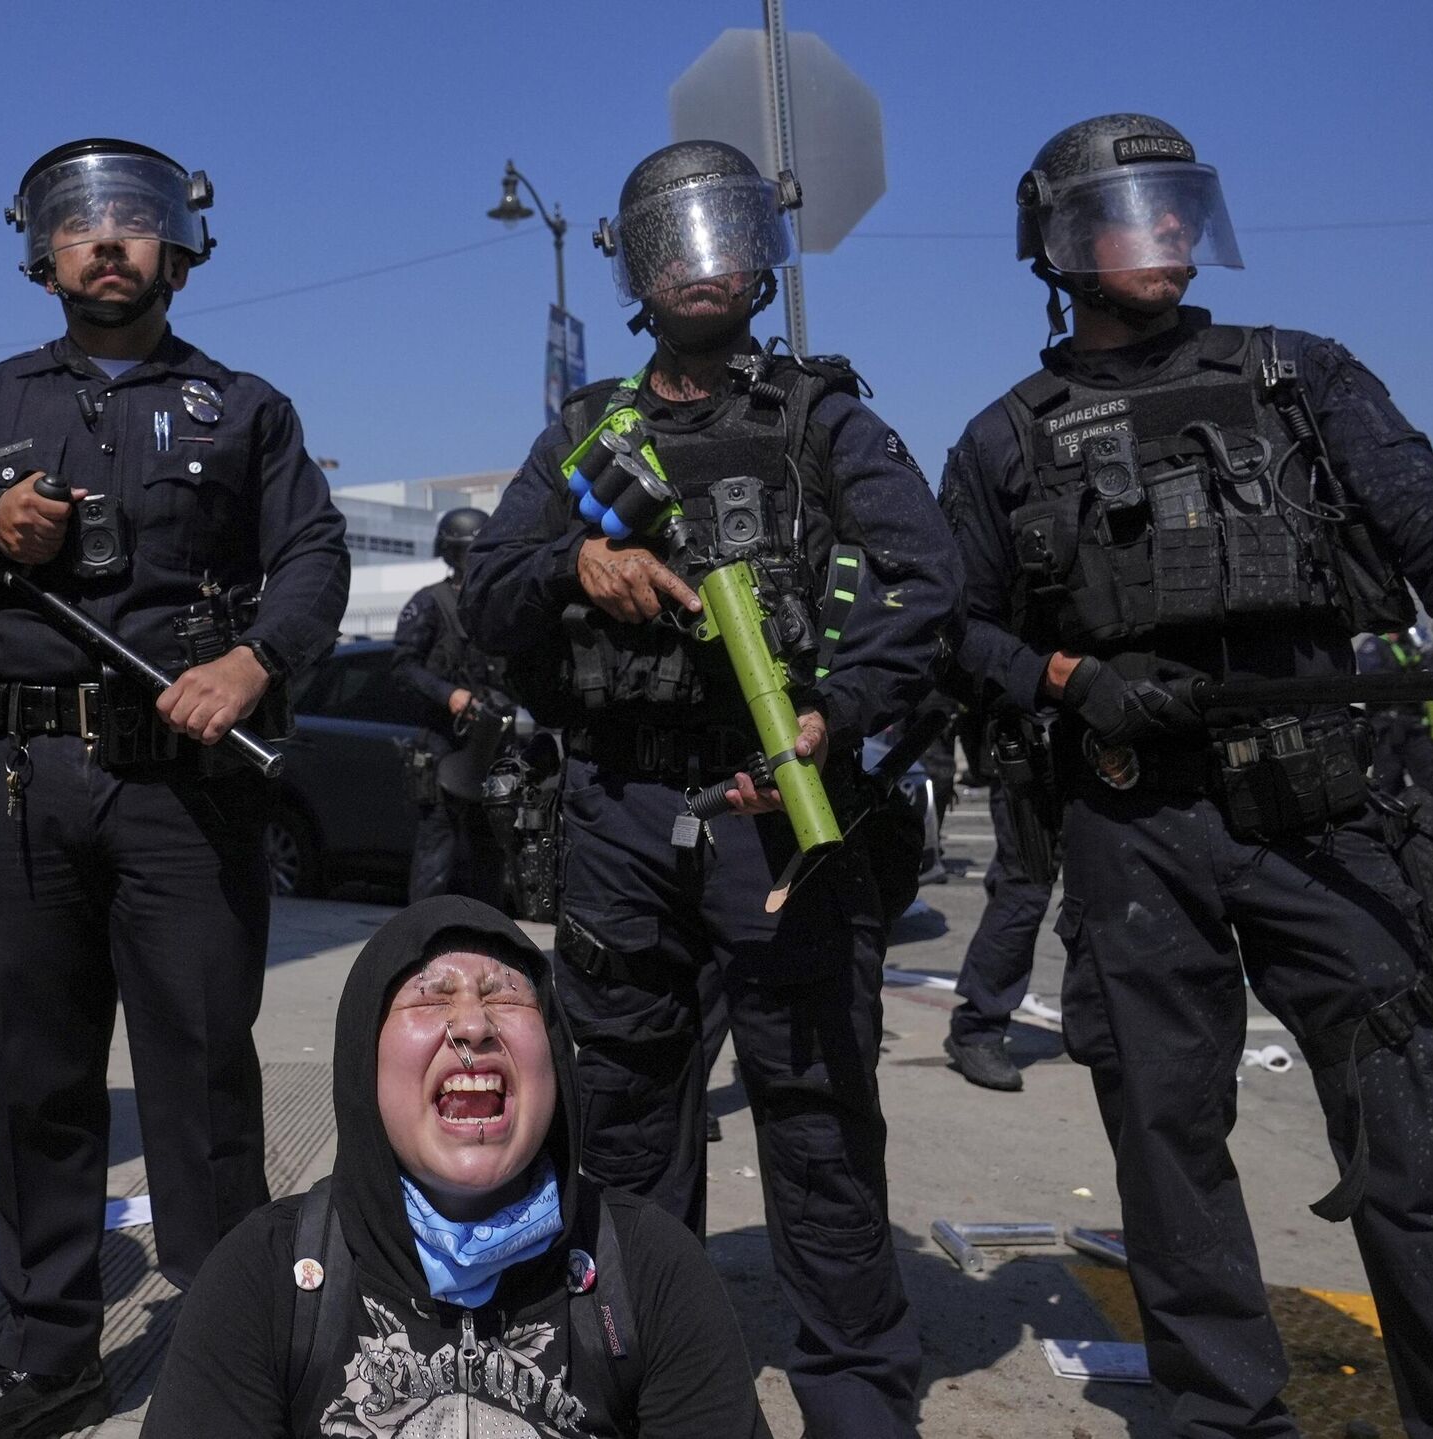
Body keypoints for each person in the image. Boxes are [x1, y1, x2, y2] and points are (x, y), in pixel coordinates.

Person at [0, 137, 350, 1439]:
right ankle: (52, 1355)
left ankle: (233, 1356)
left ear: (182, 252)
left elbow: (315, 554)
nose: (107, 240)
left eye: (134, 221)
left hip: (187, 789)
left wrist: (253, 659)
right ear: (42, 253)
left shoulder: (246, 409)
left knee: (201, 1078)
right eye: (80, 222)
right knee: (39, 1082)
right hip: (21, 785)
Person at [942, 112, 1433, 1435]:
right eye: (1129, 209)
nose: (1164, 228)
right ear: (1058, 245)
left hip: (1323, 803)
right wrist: (1069, 678)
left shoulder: (1301, 375)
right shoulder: (1005, 442)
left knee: (1414, 1123)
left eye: (1178, 203)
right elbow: (955, 628)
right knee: (1168, 1141)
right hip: (1134, 820)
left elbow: (1431, 526)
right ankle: (1224, 1413)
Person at [462, 140, 961, 1435]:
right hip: (623, 814)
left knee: (817, 1115)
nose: (702, 264)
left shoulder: (819, 420)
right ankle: (645, 1374)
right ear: (635, 271)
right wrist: (575, 563)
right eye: (673, 241)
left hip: (779, 809)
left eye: (726, 235)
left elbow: (927, 583)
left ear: (763, 260)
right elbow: (487, 593)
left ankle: (856, 1389)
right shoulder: (587, 435)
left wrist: (840, 712)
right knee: (623, 1122)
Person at [145, 895, 772, 1438]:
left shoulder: (650, 1268)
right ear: (364, 1058)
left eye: (506, 995)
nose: (473, 1024)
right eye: (429, 998)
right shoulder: (264, 1276)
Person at [393, 506, 509, 903]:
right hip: (443, 746)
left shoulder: (496, 604)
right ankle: (423, 936)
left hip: (492, 745)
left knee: (490, 856)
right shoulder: (430, 602)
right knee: (435, 857)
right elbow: (403, 667)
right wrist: (449, 695)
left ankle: (487, 934)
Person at [944, 714, 1061, 1092]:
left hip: (1098, 751)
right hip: (1028, 749)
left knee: (1106, 890)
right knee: (1024, 888)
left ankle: (1100, 1025)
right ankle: (978, 1027)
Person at [1356, 630, 1433, 797]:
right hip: (1387, 728)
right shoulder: (1374, 645)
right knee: (1387, 783)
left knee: (1430, 778)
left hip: (1414, 724)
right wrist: (1403, 678)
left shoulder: (1409, 643)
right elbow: (1371, 677)